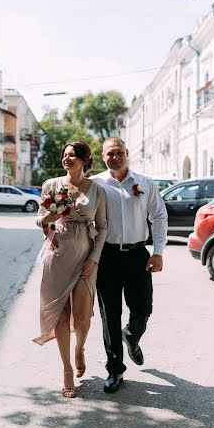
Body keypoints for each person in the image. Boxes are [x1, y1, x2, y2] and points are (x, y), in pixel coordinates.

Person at [91, 137, 168, 393]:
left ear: (127, 153)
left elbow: (159, 216)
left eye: (119, 152)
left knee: (143, 308)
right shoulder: (96, 184)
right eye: (110, 153)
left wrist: (158, 252)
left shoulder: (144, 183)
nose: (115, 157)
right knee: (109, 315)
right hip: (107, 258)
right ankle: (115, 370)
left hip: (138, 256)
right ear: (103, 157)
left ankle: (132, 335)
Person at [33, 141, 107, 398]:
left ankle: (80, 348)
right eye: (64, 155)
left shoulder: (97, 189)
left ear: (85, 161)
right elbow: (39, 217)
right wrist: (46, 220)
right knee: (61, 316)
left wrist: (94, 259)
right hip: (56, 256)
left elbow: (103, 227)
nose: (67, 159)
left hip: (84, 256)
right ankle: (66, 370)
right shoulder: (51, 185)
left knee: (83, 316)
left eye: (72, 155)